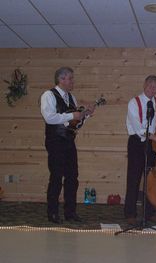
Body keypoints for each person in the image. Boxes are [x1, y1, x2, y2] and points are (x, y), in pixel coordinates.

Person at [40, 67, 95, 224]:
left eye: (72, 78)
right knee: (56, 177)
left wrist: (86, 116)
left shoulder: (72, 97)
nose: (72, 81)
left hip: (69, 141)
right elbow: (49, 118)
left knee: (72, 177)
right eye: (70, 78)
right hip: (55, 141)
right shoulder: (48, 95)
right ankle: (52, 213)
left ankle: (70, 213)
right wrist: (73, 114)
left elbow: (75, 124)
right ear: (61, 79)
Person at [124, 75, 156, 225]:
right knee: (134, 178)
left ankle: (149, 212)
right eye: (151, 86)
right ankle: (130, 213)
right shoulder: (134, 103)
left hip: (153, 144)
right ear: (145, 85)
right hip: (137, 142)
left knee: (151, 179)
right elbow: (138, 128)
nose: (153, 90)